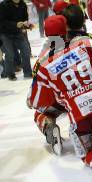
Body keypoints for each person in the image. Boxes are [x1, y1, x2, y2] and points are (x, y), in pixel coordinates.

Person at [27, 5, 92, 168]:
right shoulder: (87, 42)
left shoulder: (43, 61)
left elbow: (36, 99)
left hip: (78, 115)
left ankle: (48, 125)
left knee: (42, 111)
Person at [27, 15, 68, 155]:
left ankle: (48, 124)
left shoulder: (43, 55)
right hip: (82, 91)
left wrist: (31, 99)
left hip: (57, 99)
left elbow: (36, 78)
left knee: (40, 113)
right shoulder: (81, 41)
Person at [0, 0, 33, 81]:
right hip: (5, 33)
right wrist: (16, 24)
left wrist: (27, 26)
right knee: (10, 54)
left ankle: (28, 72)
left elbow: (25, 19)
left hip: (17, 32)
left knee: (26, 51)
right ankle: (10, 73)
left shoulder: (23, 4)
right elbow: (2, 21)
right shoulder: (4, 5)